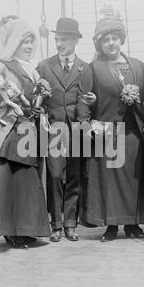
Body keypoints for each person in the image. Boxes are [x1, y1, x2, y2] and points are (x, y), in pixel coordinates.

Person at [0, 19, 50, 249]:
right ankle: (10, 230)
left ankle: (26, 228)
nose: (29, 46)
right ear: (14, 42)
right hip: (7, 130)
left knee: (28, 180)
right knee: (10, 177)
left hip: (28, 129)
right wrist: (3, 95)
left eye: (31, 42)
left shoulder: (30, 69)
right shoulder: (1, 66)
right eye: (25, 41)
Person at [75, 15, 144, 242]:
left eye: (115, 38)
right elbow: (83, 99)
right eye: (106, 40)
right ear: (100, 44)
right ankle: (111, 225)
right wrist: (87, 123)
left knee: (134, 180)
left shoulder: (138, 67)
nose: (111, 43)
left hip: (134, 133)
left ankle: (133, 225)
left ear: (122, 40)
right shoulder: (94, 68)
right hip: (108, 133)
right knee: (109, 182)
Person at [36, 18, 87, 242]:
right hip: (54, 128)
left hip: (76, 128)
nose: (59, 44)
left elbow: (88, 97)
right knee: (55, 174)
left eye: (64, 39)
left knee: (74, 176)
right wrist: (40, 109)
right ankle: (55, 224)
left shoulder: (86, 68)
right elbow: (38, 96)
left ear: (76, 40)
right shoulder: (44, 66)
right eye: (57, 39)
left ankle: (70, 224)